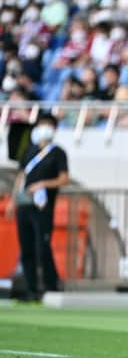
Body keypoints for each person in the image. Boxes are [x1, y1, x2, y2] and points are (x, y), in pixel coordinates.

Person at [6, 113, 69, 302]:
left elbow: (63, 178)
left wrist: (43, 184)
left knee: (43, 247)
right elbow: (21, 176)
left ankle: (51, 287)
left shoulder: (57, 152)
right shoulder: (29, 150)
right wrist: (13, 201)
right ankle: (31, 290)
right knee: (27, 249)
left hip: (43, 206)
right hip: (25, 204)